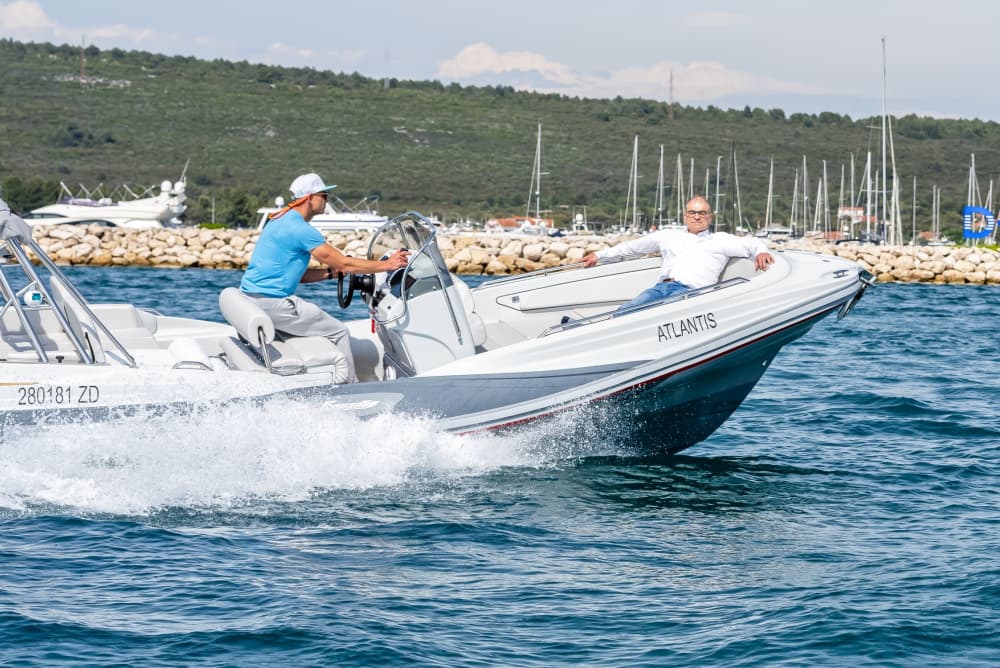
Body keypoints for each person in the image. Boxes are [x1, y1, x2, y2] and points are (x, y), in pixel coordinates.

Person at [239, 173, 408, 382]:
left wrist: (330, 274)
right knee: (339, 332)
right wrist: (387, 265)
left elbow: (297, 276)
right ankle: (352, 389)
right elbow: (344, 262)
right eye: (324, 195)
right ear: (310, 198)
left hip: (253, 299)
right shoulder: (301, 230)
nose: (326, 200)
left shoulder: (279, 220)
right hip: (274, 305)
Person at [581, 196, 774, 311]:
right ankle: (581, 331)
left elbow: (751, 243)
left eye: (702, 213)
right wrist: (600, 255)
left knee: (661, 314)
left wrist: (761, 252)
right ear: (685, 215)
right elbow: (633, 247)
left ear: (709, 216)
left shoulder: (720, 240)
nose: (697, 217)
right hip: (660, 288)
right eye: (692, 212)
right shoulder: (668, 235)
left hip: (690, 292)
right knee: (627, 311)